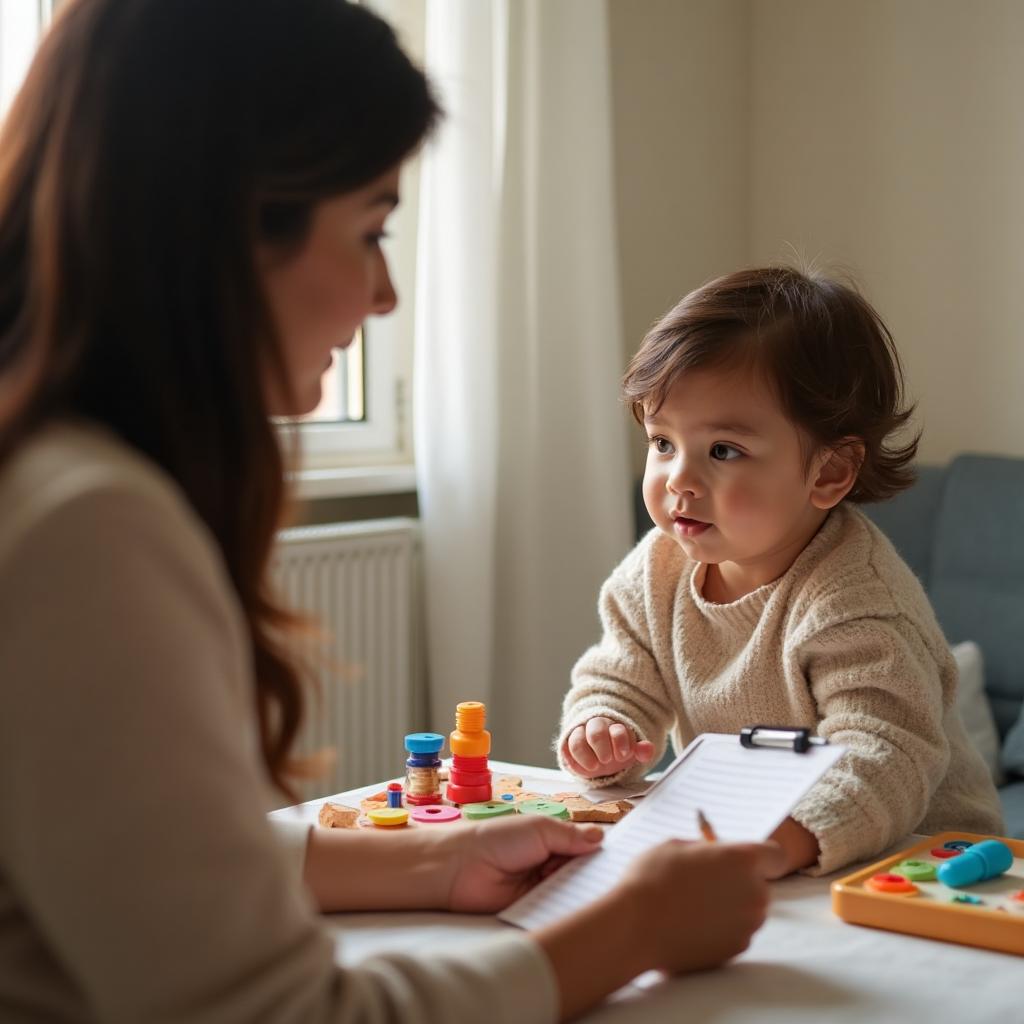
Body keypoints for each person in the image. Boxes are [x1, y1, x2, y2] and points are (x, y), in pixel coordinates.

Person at [0, 2, 784, 1021]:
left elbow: (129, 860)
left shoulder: (47, 479)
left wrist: (435, 858)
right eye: (369, 231)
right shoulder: (84, 528)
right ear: (230, 223)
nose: (384, 297)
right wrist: (628, 929)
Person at [557, 266, 1004, 878]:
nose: (678, 479)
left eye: (723, 451)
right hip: (754, 844)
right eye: (662, 442)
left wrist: (781, 841)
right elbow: (621, 676)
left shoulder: (857, 598)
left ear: (828, 474)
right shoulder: (655, 568)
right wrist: (603, 728)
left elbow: (883, 755)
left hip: (922, 862)